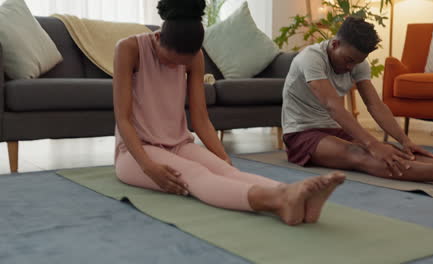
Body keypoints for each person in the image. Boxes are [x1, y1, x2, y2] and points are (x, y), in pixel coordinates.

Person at [112, 0, 346, 226]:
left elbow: (201, 118)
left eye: (180, 65)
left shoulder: (195, 57)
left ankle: (295, 196)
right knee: (196, 174)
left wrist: (221, 156)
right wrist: (147, 166)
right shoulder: (129, 49)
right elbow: (123, 118)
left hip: (178, 143)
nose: (174, 68)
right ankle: (278, 200)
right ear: (158, 38)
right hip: (135, 152)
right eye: (170, 61)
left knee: (225, 170)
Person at [281, 16, 433, 189]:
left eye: (356, 63)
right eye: (348, 60)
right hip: (300, 133)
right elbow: (333, 106)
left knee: (393, 152)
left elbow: (375, 105)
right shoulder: (311, 59)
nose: (350, 67)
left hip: (333, 130)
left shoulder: (357, 62)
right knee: (359, 153)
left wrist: (405, 140)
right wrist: (372, 144)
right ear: (335, 44)